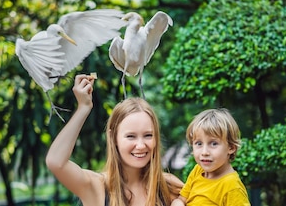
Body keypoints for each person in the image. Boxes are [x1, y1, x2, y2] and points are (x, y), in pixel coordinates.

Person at [46, 74, 183, 206]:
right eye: (131, 136)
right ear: (113, 138)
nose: (141, 145)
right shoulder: (97, 187)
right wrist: (83, 108)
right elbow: (55, 162)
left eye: (148, 135)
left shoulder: (168, 186)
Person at [172, 108, 251, 206]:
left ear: (231, 147)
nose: (204, 152)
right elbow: (181, 199)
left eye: (213, 143)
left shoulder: (232, 187)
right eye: (199, 143)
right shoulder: (198, 170)